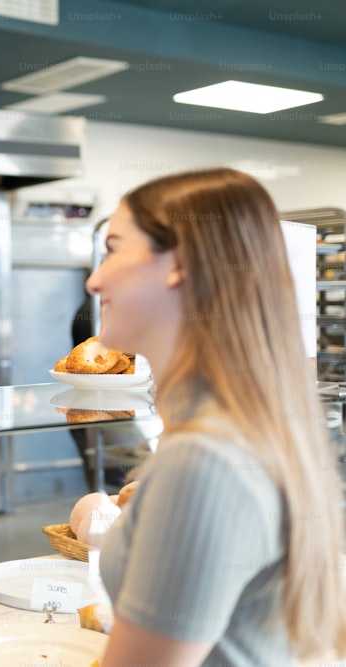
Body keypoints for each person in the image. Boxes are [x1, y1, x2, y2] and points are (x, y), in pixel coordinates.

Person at [88, 167, 346, 666]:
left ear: (179, 263)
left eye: (114, 249)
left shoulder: (203, 460)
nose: (95, 279)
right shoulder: (237, 429)